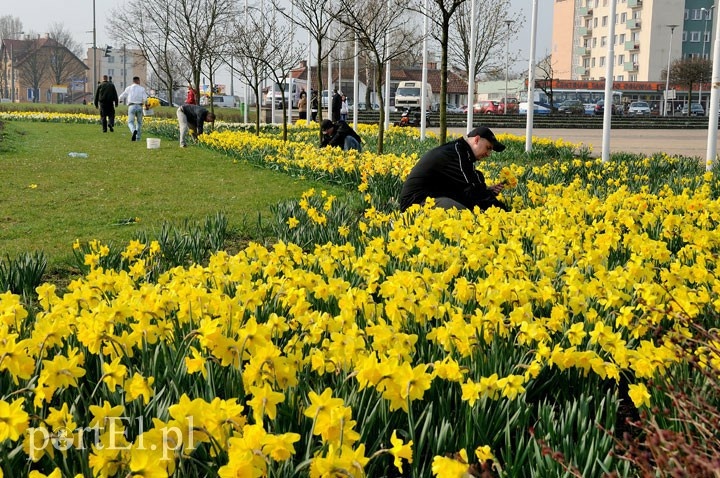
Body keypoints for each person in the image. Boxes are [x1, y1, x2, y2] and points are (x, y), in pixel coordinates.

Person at [399, 126, 509, 212]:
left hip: (429, 198)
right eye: (488, 148)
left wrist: (487, 191)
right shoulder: (457, 154)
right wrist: (503, 212)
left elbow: (466, 188)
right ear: (477, 139)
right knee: (467, 215)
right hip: (415, 204)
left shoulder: (461, 151)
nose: (488, 154)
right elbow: (472, 190)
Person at [118, 76, 149, 142]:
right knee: (139, 122)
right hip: (139, 106)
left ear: (133, 81)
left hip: (131, 106)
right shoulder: (142, 89)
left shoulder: (129, 88)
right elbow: (145, 99)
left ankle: (133, 130)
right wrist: (146, 106)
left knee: (130, 122)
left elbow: (122, 95)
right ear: (138, 81)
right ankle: (138, 138)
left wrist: (120, 100)